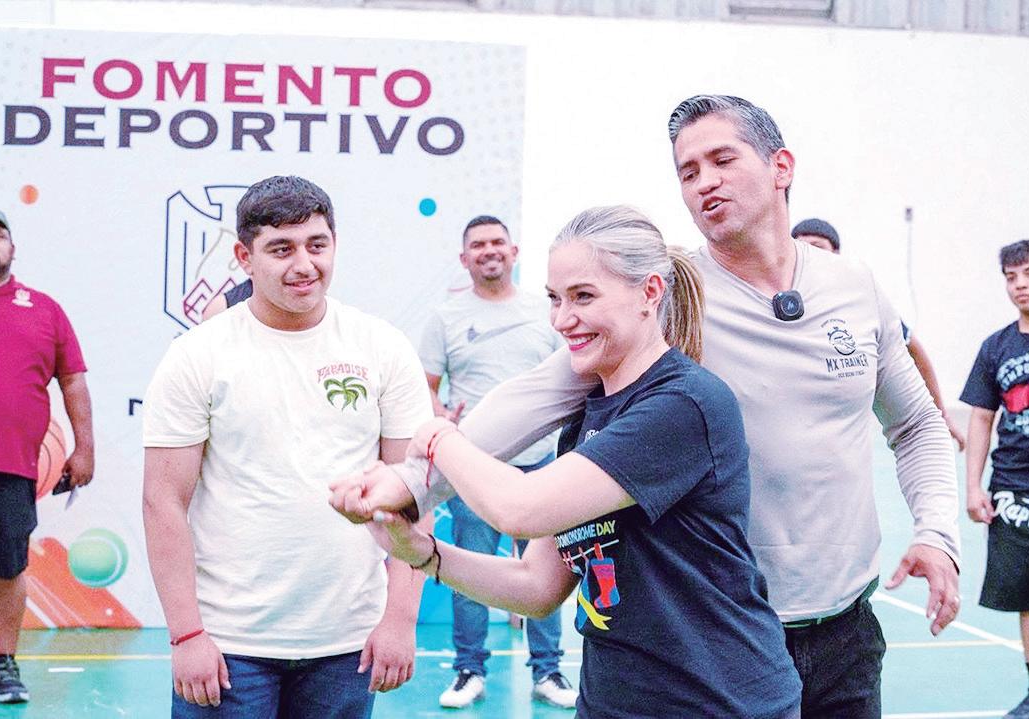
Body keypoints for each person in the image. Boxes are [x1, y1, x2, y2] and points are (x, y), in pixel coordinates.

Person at [345, 95, 963, 718]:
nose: (705, 181)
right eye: (688, 171)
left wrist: (937, 532)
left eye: (722, 159)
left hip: (845, 628)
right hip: (725, 634)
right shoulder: (667, 304)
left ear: (781, 166)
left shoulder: (854, 286)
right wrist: (412, 484)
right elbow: (535, 398)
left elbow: (916, 424)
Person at [334, 205, 803, 718]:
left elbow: (521, 509)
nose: (562, 319)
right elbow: (536, 586)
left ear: (649, 293)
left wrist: (437, 439)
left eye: (583, 296)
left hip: (718, 703)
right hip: (614, 701)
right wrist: (423, 553)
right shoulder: (588, 418)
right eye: (555, 299)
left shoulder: (683, 405)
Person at [142, 176, 433, 717]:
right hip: (228, 644)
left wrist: (400, 619)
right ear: (244, 258)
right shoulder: (197, 354)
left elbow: (414, 491)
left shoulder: (383, 347)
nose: (304, 264)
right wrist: (186, 635)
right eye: (281, 249)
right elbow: (163, 500)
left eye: (317, 245)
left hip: (349, 643)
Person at [419, 215, 574, 709]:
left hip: (542, 468)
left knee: (546, 573)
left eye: (497, 242)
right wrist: (443, 419)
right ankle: (469, 670)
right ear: (464, 259)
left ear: (514, 251)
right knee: (470, 573)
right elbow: (427, 387)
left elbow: (572, 376)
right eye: (478, 245)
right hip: (474, 473)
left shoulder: (544, 312)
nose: (489, 250)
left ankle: (548, 672)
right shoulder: (445, 317)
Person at [961, 239, 1029, 719]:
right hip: (1012, 494)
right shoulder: (996, 346)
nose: (1019, 285)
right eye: (1010, 277)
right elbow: (981, 418)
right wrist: (973, 486)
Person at [0, 208, 95, 704]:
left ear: (13, 248)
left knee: (7, 567)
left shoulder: (44, 309)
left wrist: (85, 448)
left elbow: (73, 380)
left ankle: (2, 663)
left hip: (11, 465)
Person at [791, 217, 968, 450]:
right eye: (801, 248)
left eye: (817, 247)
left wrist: (941, 414)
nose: (810, 256)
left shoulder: (861, 302)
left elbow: (913, 349)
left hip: (845, 433)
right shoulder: (784, 305)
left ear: (837, 254)